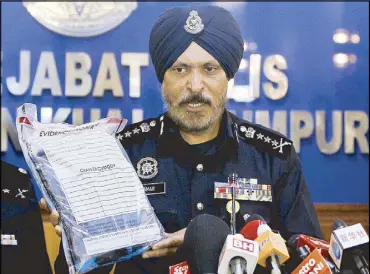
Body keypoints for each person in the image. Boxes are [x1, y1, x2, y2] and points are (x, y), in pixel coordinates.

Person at [41, 4, 323, 273]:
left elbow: (309, 260)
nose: (195, 85)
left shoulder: (273, 157)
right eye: (180, 69)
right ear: (162, 78)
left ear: (228, 77)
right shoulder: (120, 153)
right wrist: (78, 241)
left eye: (210, 69)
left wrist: (222, 242)